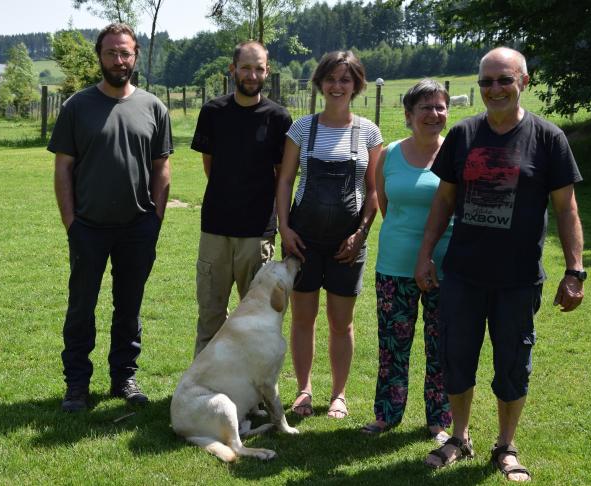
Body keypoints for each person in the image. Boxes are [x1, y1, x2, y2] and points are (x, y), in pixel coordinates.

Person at [417, 47, 585, 482]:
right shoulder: (463, 134)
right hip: (462, 275)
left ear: (523, 82)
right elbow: (445, 200)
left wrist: (575, 270)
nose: (495, 89)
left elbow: (567, 210)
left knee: (512, 363)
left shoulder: (548, 139)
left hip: (517, 278)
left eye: (504, 80)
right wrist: (425, 253)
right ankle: (459, 436)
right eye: (487, 82)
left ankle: (506, 444)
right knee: (456, 358)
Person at [48, 23, 173, 412]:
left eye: (126, 53)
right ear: (99, 57)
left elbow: (162, 169)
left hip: (138, 228)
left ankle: (124, 378)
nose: (119, 60)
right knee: (81, 307)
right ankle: (77, 386)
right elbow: (63, 169)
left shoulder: (154, 107)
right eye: (111, 53)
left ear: (135, 57)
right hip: (88, 227)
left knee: (129, 307)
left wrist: (155, 218)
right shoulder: (77, 107)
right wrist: (71, 222)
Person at [276, 50, 383, 419]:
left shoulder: (369, 131)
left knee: (342, 322)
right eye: (331, 79)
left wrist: (361, 235)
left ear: (356, 85)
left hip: (347, 243)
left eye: (346, 80)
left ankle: (338, 394)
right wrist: (284, 228)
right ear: (320, 83)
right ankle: (303, 390)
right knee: (303, 319)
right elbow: (286, 180)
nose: (338, 86)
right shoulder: (302, 128)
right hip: (302, 240)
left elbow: (373, 191)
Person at [361, 79, 452, 443]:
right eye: (425, 108)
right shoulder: (390, 155)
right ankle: (387, 414)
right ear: (409, 114)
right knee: (392, 346)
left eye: (440, 107)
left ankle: (439, 422)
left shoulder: (455, 153)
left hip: (445, 268)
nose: (434, 114)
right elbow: (385, 205)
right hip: (394, 266)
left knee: (441, 345)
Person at [190, 41, 292, 357]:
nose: (252, 74)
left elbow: (282, 177)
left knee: (257, 320)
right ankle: (202, 390)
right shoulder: (213, 112)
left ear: (267, 71)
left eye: (258, 68)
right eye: (245, 67)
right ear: (232, 69)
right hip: (216, 230)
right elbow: (211, 165)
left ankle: (254, 397)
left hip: (257, 233)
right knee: (210, 316)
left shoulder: (279, 118)